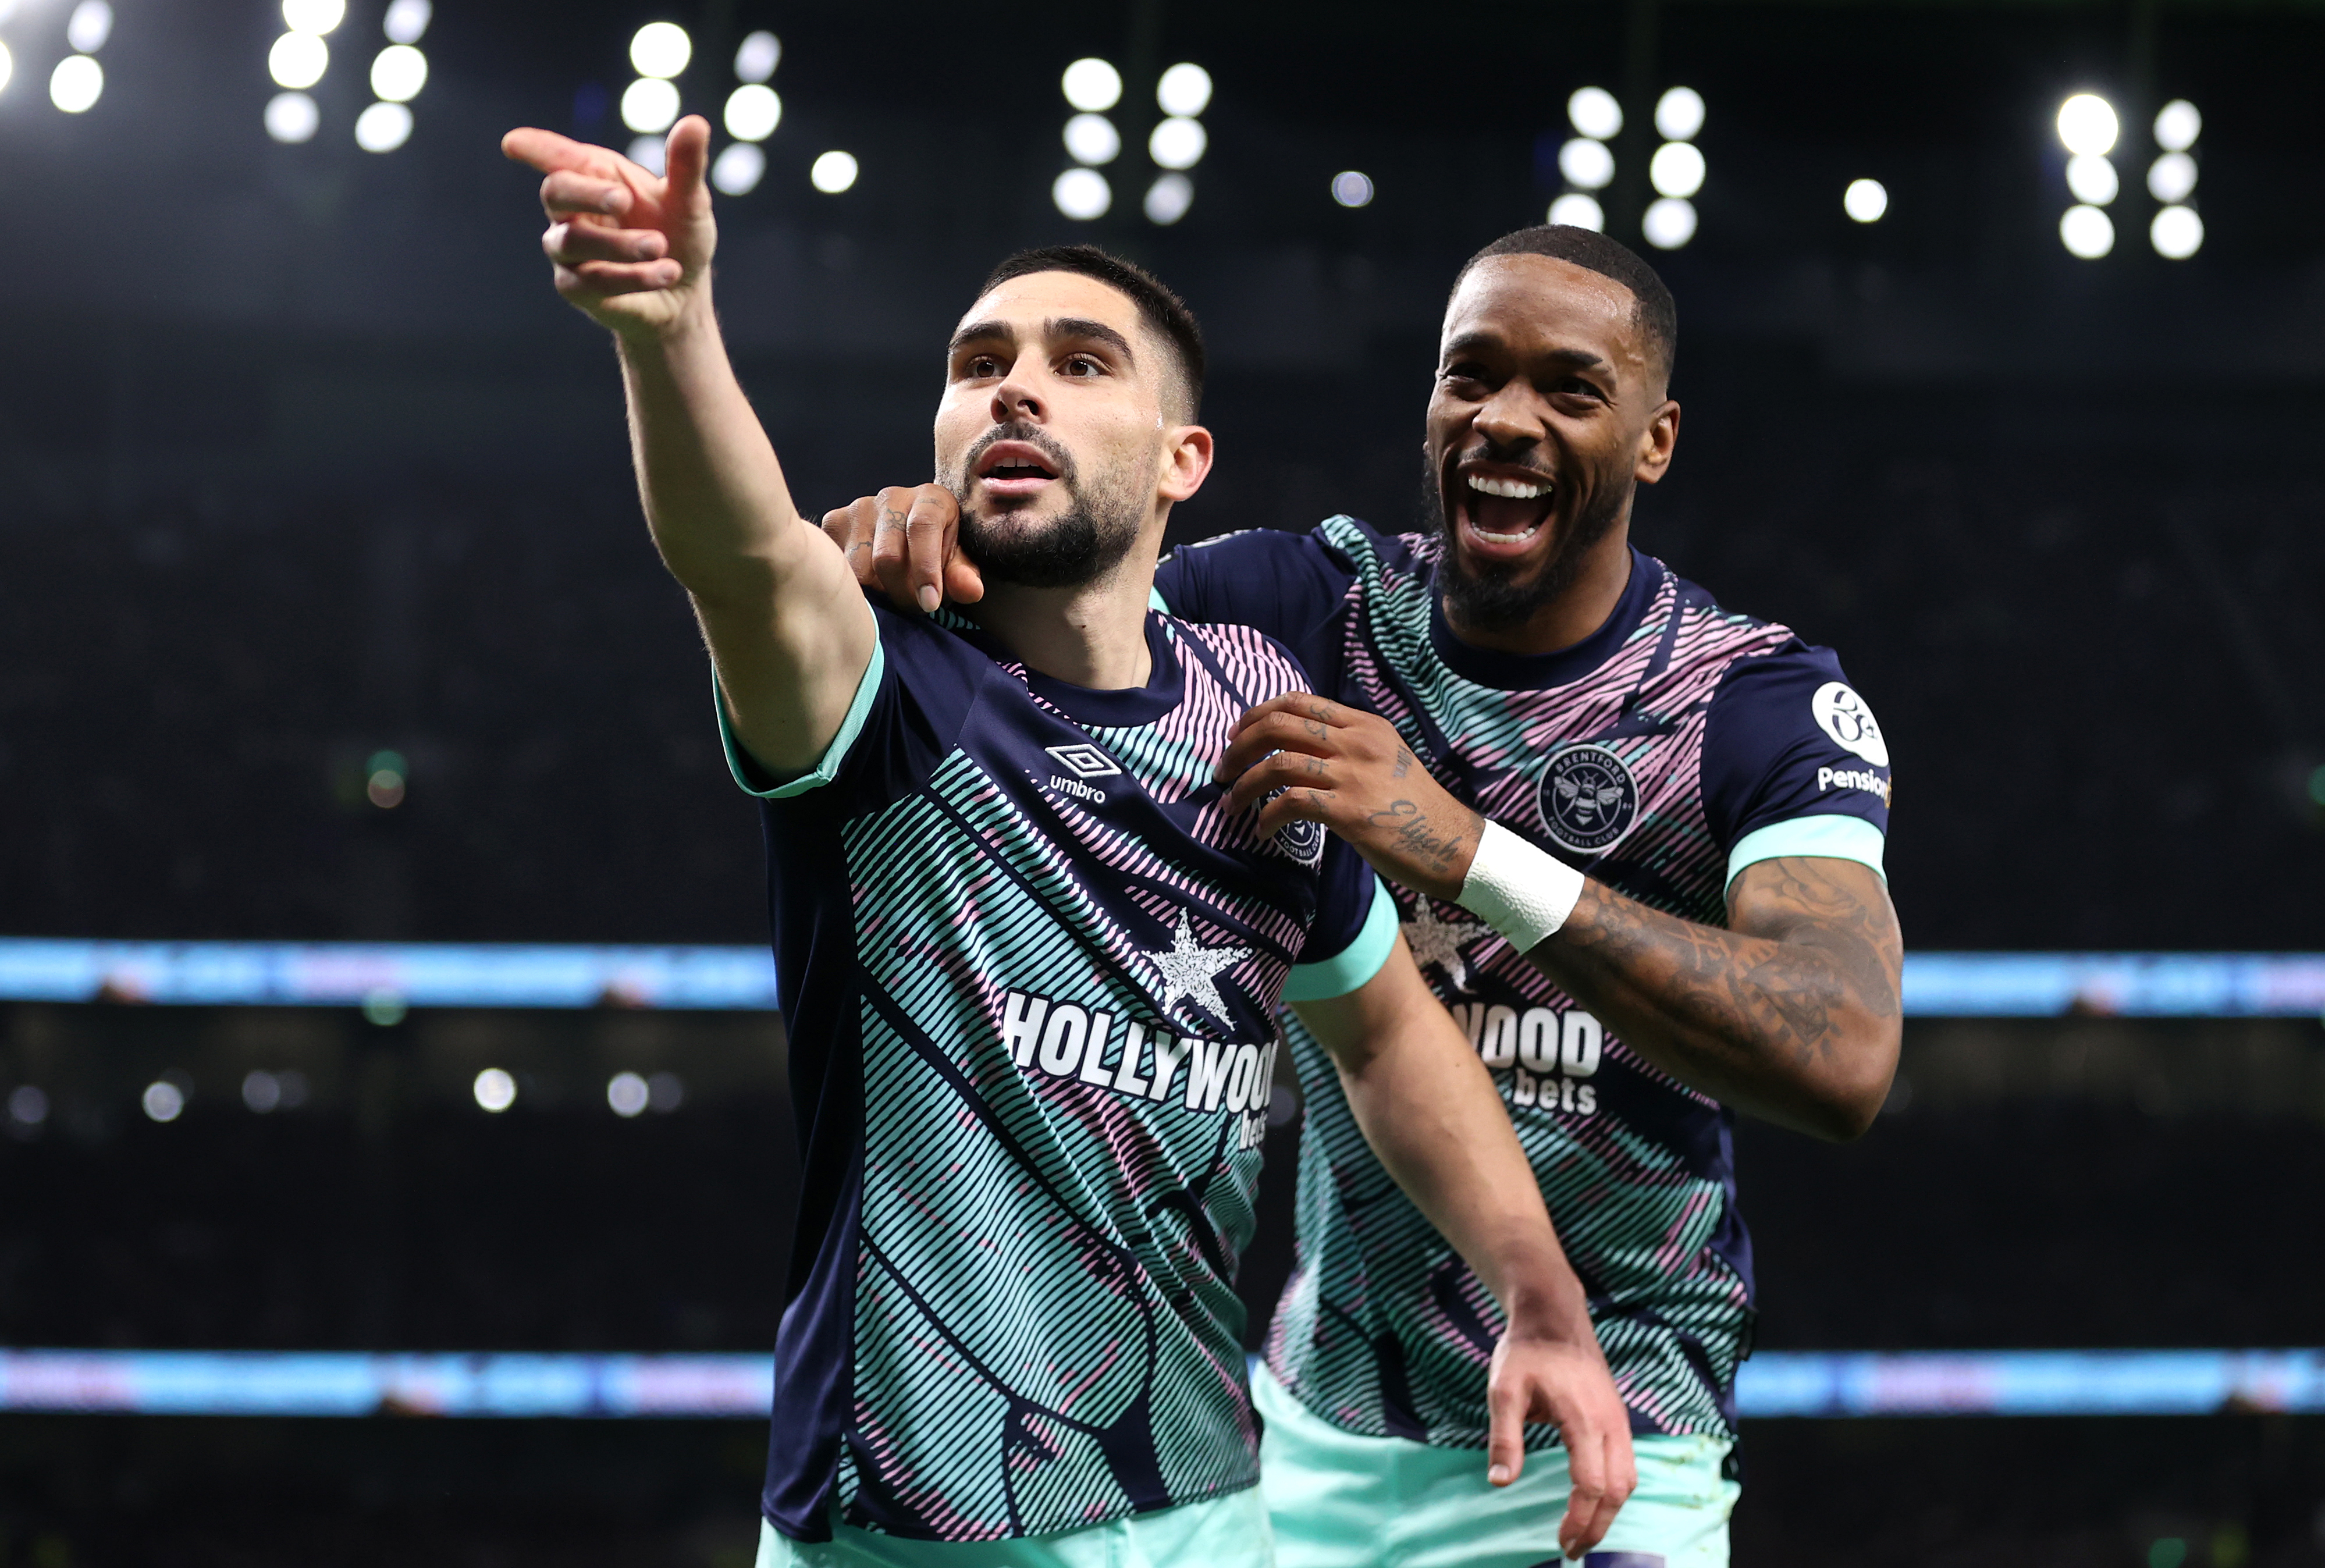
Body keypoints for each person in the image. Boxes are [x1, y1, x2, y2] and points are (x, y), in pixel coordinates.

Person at [501, 120, 1637, 1568]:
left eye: (1080, 363)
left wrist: (1543, 1301)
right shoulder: (887, 689)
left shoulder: (1258, 720)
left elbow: (1386, 1038)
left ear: (1181, 461)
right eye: (978, 363)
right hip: (909, 1531)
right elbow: (743, 559)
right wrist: (670, 336)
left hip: (1203, 1510)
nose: (1014, 386)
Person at [826, 225, 1904, 1567]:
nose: (1504, 419)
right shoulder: (1305, 610)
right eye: (1472, 376)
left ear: (1654, 440)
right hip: (1314, 1436)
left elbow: (1844, 1052)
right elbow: (1050, 610)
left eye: (1570, 389)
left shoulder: (1749, 703)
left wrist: (1467, 850)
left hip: (1617, 1425)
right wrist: (927, 531)